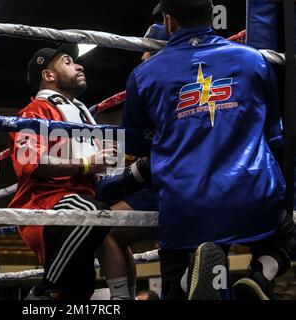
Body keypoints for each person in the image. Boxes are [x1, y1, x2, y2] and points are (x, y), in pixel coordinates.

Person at [121, 0, 295, 300]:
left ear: (169, 21)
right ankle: (260, 276)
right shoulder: (254, 60)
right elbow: (273, 132)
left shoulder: (144, 74)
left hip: (185, 204)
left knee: (175, 279)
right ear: (211, 15)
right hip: (252, 196)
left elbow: (136, 143)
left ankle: (186, 281)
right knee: (286, 232)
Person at [8, 44, 127, 299]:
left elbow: (102, 166)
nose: (79, 65)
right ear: (48, 75)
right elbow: (30, 163)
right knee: (95, 214)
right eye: (68, 61)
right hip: (45, 204)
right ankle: (44, 288)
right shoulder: (34, 112)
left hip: (82, 201)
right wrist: (87, 164)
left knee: (78, 291)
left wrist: (112, 156)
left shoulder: (82, 117)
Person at [95, 22, 169, 299]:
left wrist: (129, 174)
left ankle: (121, 299)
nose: (141, 57)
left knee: (104, 227)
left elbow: (137, 140)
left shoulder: (146, 80)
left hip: (168, 182)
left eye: (147, 50)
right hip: (200, 179)